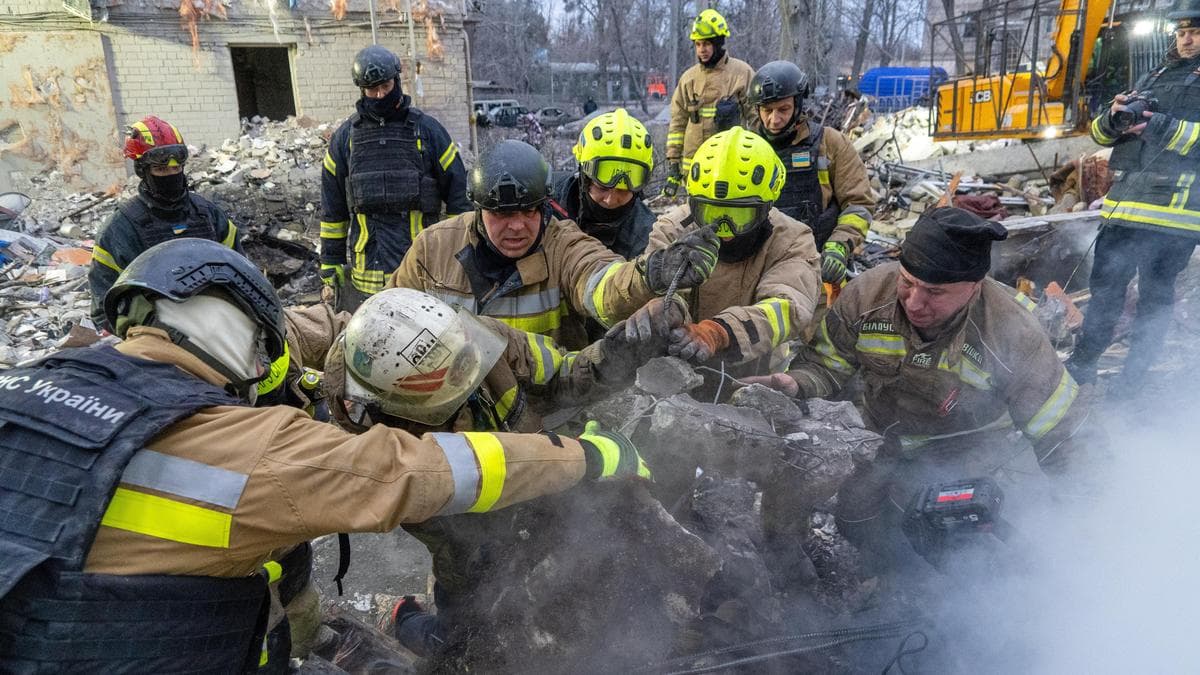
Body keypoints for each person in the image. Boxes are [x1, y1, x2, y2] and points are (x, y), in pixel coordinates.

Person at [0, 238, 650, 673]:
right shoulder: (263, 452)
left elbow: (327, 330)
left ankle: (317, 633)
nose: (266, 362)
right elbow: (423, 471)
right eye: (259, 347)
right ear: (233, 336)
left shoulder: (41, 383)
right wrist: (590, 457)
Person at [320, 287, 671, 657]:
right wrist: (583, 458)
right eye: (446, 391)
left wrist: (618, 354)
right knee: (467, 626)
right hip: (465, 537)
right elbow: (470, 473)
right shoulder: (377, 433)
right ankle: (419, 628)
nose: (467, 388)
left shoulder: (480, 338)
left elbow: (563, 374)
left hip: (542, 481)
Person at [743, 207, 1091, 564]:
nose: (914, 303)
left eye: (934, 293)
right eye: (906, 282)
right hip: (883, 440)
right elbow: (825, 365)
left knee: (952, 543)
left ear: (974, 287)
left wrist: (1087, 519)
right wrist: (796, 382)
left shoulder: (1013, 333)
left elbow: (1064, 433)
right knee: (857, 522)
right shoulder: (866, 297)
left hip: (967, 451)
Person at [588, 126, 822, 372]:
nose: (726, 231)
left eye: (739, 215)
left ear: (767, 205)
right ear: (694, 204)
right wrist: (663, 307)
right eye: (712, 213)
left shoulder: (793, 239)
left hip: (758, 371)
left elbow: (786, 307)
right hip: (679, 366)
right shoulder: (673, 228)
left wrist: (717, 333)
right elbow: (660, 291)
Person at [1065, 0, 1200, 398]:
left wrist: (1160, 127)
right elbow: (1101, 134)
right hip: (1125, 205)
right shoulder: (1155, 73)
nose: (1187, 39)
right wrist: (1112, 118)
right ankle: (1083, 366)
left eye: (1195, 31)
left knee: (1155, 301)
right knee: (1105, 290)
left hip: (1175, 214)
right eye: (1181, 32)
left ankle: (1134, 382)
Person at [387, 139, 629, 350]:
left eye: (529, 211)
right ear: (479, 210)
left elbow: (603, 281)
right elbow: (387, 321)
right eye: (502, 214)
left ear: (545, 206)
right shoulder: (433, 248)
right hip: (454, 397)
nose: (517, 226)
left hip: (549, 400)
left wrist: (644, 278)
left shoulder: (563, 245)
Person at [320, 45, 470, 311]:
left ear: (397, 81)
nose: (380, 95)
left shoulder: (428, 132)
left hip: (421, 270)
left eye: (386, 87)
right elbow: (333, 211)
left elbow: (459, 199)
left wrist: (456, 255)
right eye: (372, 90)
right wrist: (330, 264)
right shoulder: (345, 139)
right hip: (367, 276)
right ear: (361, 89)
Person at [89, 115, 241, 330]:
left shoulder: (208, 215)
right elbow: (103, 308)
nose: (170, 175)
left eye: (175, 169)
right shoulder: (120, 228)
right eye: (161, 170)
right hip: (156, 333)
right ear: (143, 171)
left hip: (217, 325)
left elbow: (241, 273)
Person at [747, 61, 875, 288]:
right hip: (760, 266)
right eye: (767, 110)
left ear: (798, 104)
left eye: (783, 110)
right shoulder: (746, 148)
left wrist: (840, 244)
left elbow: (858, 204)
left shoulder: (831, 143)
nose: (774, 120)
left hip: (819, 264)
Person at [662, 8, 755, 198]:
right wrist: (673, 163)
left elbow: (756, 119)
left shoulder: (742, 74)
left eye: (706, 44)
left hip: (730, 164)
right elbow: (677, 123)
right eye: (697, 44)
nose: (701, 50)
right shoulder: (689, 78)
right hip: (694, 168)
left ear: (719, 43)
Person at [551, 108, 657, 261]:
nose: (610, 200)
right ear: (583, 177)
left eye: (623, 191)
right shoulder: (548, 201)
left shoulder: (646, 236)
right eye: (601, 188)